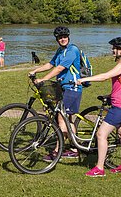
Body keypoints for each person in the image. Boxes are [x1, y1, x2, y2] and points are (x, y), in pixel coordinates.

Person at [76, 37, 121, 177]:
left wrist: (84, 79)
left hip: (120, 107)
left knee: (101, 134)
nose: (113, 50)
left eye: (115, 48)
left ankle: (99, 168)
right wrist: (111, 95)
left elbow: (105, 76)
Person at [29, 26, 83, 160]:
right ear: (57, 39)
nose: (62, 39)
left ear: (68, 37)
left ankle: (58, 151)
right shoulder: (60, 51)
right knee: (67, 118)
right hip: (63, 87)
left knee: (61, 118)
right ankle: (74, 148)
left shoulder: (72, 50)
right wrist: (36, 71)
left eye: (64, 37)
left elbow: (60, 68)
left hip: (72, 87)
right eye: (60, 37)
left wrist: (43, 79)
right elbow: (51, 64)